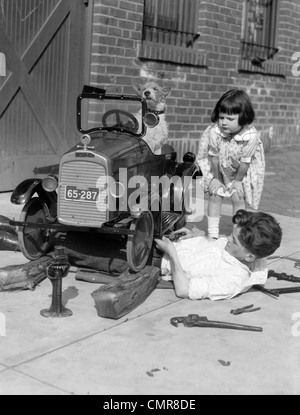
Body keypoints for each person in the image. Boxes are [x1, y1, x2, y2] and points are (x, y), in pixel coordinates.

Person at [155, 209, 282, 301]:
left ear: (249, 257)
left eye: (234, 240)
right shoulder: (236, 252)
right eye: (232, 235)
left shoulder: (232, 280)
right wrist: (194, 236)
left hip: (157, 258)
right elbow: (214, 246)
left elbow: (183, 290)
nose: (227, 238)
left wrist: (171, 252)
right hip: (167, 244)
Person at [197, 89, 265, 239]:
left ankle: (238, 234)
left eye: (230, 118)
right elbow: (213, 156)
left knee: (238, 197)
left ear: (243, 118)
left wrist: (237, 181)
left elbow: (246, 162)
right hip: (219, 168)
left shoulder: (249, 136)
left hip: (241, 171)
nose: (224, 122)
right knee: (215, 194)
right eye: (221, 117)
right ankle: (212, 234)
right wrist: (217, 178)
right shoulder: (215, 131)